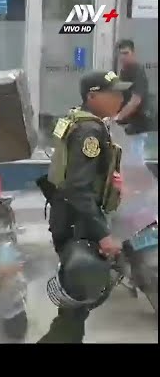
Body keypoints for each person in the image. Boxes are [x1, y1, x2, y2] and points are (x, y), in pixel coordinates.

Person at [37, 70, 128, 343]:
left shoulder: (77, 119)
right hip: (79, 224)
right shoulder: (90, 130)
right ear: (93, 96)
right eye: (114, 94)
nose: (120, 99)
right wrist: (103, 233)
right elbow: (78, 188)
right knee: (80, 298)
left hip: (68, 217)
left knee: (78, 302)